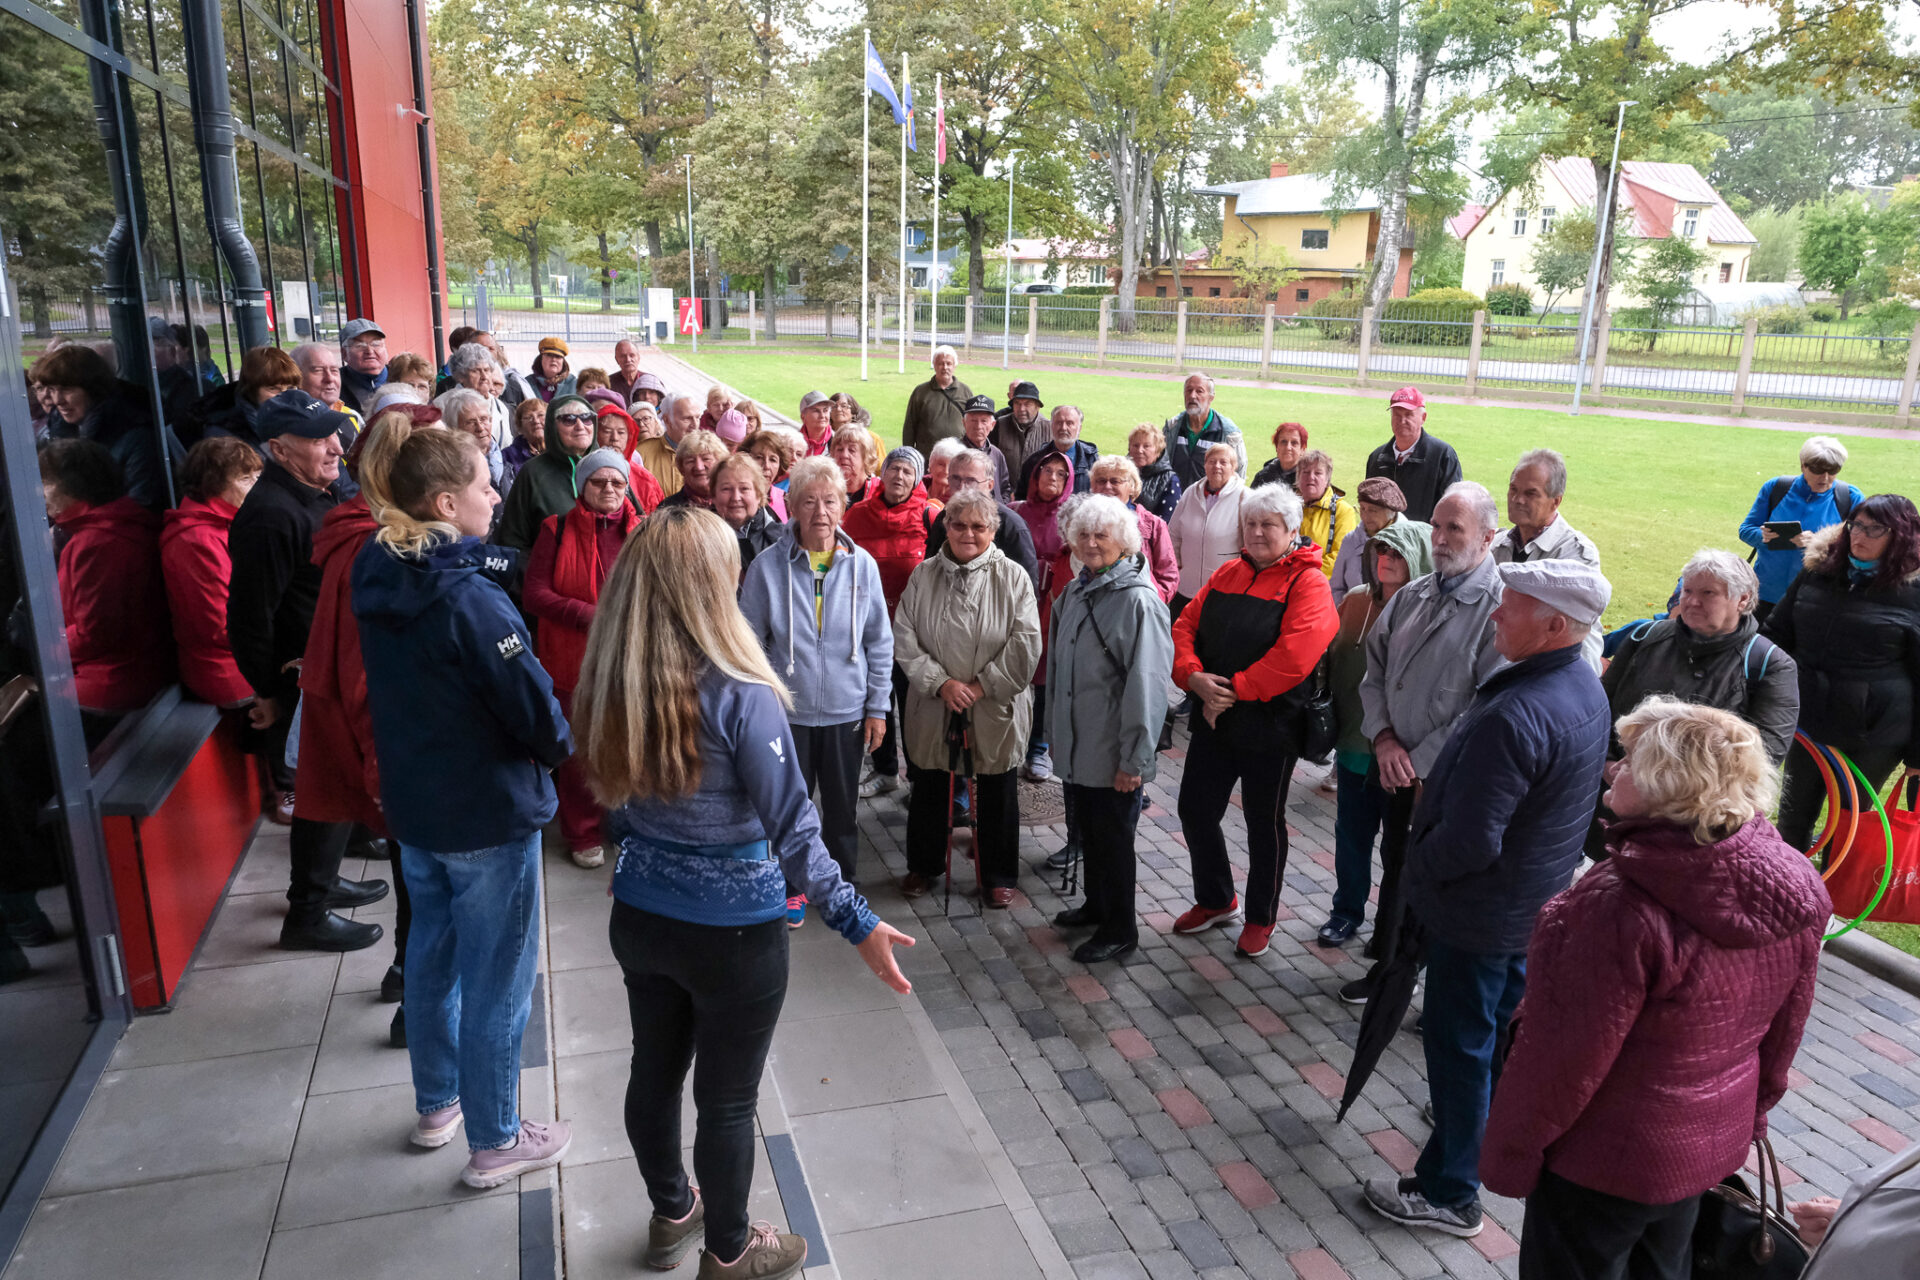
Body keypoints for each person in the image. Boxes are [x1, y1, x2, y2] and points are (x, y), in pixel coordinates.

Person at [571, 505, 914, 1280]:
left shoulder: (609, 676)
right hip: (733, 933)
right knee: (726, 1101)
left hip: (641, 915)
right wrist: (857, 920)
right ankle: (729, 1250)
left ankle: (672, 1211)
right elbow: (796, 831)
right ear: (709, 585)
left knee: (653, 1070)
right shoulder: (738, 688)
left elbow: (614, 806)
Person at [1481, 697, 1829, 1279]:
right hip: (1704, 1150)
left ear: (1669, 784)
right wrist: (1751, 1116)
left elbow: (1560, 1060)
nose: (1613, 768)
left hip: (1602, 1161)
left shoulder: (1615, 905)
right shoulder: (1795, 881)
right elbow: (1785, 1033)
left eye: (1630, 760)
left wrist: (1508, 1156)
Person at [1362, 558, 1611, 1240]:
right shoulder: (1579, 685)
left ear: (1555, 625)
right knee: (1493, 1039)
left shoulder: (1520, 710)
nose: (1496, 612)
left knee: (1459, 1047)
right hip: (1525, 908)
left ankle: (1451, 1192)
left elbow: (1472, 841)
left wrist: (1417, 870)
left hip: (1479, 916)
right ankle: (1474, 1136)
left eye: (1512, 605)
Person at [353, 429, 574, 1190]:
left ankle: (437, 1102)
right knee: (498, 980)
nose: (495, 495)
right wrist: (562, 746)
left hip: (418, 808)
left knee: (432, 956)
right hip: (485, 813)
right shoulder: (470, 601)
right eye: (484, 485)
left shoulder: (378, 565)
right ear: (446, 503)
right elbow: (535, 711)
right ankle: (497, 1138)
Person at [228, 390, 391, 948]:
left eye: (334, 435)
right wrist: (269, 691)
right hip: (302, 680)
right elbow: (250, 617)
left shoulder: (317, 492)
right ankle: (307, 913)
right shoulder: (271, 515)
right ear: (278, 449)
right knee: (323, 789)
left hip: (331, 670)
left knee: (334, 785)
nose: (336, 447)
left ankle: (325, 879)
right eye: (319, 440)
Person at [295, 407, 434, 1036]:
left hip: (403, 750)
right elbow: (364, 679)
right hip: (409, 753)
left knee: (419, 880)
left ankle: (409, 975)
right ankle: (417, 1002)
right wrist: (384, 774)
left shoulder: (368, 535)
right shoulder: (381, 550)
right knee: (427, 884)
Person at [1346, 481, 1505, 1001]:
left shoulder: (1501, 608)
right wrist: (1384, 739)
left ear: (1488, 537)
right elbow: (1373, 674)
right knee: (1396, 865)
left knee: (1434, 879)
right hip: (1394, 770)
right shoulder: (1413, 595)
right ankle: (1390, 963)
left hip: (1447, 782)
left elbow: (1485, 705)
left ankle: (1416, 978)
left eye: (1454, 528)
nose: (1438, 537)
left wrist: (1417, 761)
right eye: (1436, 525)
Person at [1171, 484, 1339, 958]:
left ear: (1292, 530)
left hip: (1271, 726)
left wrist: (1231, 691)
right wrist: (1192, 677)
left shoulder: (1309, 583)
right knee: (1195, 809)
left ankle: (1261, 917)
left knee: (1263, 823)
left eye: (1269, 524)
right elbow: (1184, 626)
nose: (1258, 532)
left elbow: (1295, 656)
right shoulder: (1229, 572)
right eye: (1250, 523)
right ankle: (1216, 898)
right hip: (1213, 715)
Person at [739, 457, 893, 915]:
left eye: (830, 501)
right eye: (809, 501)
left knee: (843, 810)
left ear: (843, 506)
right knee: (791, 807)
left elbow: (879, 641)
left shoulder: (862, 565)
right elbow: (749, 643)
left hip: (848, 711)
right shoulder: (768, 567)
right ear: (791, 507)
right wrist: (762, 706)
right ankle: (792, 886)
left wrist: (878, 707)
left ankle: (842, 889)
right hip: (788, 714)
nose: (820, 512)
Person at [894, 489, 1042, 906]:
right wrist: (941, 683)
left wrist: (980, 687)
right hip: (935, 701)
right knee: (930, 784)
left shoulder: (1013, 577)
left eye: (978, 526)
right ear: (946, 527)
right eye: (959, 525)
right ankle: (924, 864)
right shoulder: (923, 575)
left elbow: (1025, 643)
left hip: (994, 702)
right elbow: (904, 635)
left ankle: (998, 874)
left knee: (997, 788)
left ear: (993, 530)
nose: (968, 534)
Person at [1048, 495, 1174, 964]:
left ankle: (1121, 929)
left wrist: (1134, 761)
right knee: (1090, 832)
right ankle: (1097, 905)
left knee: (1115, 841)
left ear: (1124, 541)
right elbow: (1059, 672)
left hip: (1114, 752)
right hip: (1081, 745)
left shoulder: (1139, 601)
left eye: (1102, 535)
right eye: (1083, 534)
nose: (1091, 543)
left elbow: (1148, 687)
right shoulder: (1076, 590)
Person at [1764, 494, 1920, 849]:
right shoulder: (1818, 571)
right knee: (1793, 817)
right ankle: (1789, 880)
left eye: (1874, 529)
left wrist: (1917, 755)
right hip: (1808, 719)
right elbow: (1776, 633)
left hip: (1874, 732)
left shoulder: (1914, 593)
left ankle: (1836, 880)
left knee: (1848, 827)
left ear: (1901, 535)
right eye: (1855, 525)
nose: (1859, 536)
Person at [524, 446, 642, 872]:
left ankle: (628, 826)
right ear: (582, 486)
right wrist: (587, 615)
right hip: (574, 661)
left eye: (617, 482)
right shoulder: (555, 529)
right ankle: (583, 831)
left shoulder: (644, 531)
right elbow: (535, 593)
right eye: (599, 481)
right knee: (579, 754)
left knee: (630, 743)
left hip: (631, 658)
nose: (609, 489)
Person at [1318, 517, 1432, 948]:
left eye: (1398, 552)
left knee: (1397, 849)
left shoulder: (1428, 611)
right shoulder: (1356, 599)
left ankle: (1388, 929)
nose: (1387, 558)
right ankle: (1346, 912)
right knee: (1351, 836)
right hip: (1353, 744)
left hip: (1402, 757)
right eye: (1381, 550)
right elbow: (1331, 655)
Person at [1603, 550, 1799, 763]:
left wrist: (1667, 779)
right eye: (1687, 591)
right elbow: (1600, 708)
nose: (1692, 601)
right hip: (1615, 774)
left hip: (1701, 785)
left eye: (1708, 593)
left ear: (1742, 599)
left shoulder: (1770, 664)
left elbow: (1767, 753)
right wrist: (1609, 764)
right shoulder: (1645, 637)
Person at [38, 439, 173, 738]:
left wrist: (45, 652)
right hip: (135, 673)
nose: (40, 492)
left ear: (75, 485)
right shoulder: (121, 521)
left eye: (45, 482)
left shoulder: (96, 543)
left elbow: (97, 634)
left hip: (108, 684)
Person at [842, 448, 935, 798]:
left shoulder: (930, 515)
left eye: (908, 471)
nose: (899, 476)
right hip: (866, 628)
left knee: (913, 707)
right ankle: (885, 770)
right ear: (882, 473)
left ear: (917, 478)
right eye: (893, 468)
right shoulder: (857, 515)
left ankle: (919, 778)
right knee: (876, 701)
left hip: (913, 633)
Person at [161, 437, 264, 707]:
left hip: (247, 662)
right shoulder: (196, 540)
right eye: (245, 479)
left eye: (258, 476)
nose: (257, 486)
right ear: (213, 485)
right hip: (232, 674)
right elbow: (220, 627)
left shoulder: (227, 521)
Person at [1493, 449, 1604, 666]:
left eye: (1530, 494)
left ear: (1555, 502)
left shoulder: (1576, 556)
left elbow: (1579, 642)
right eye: (1513, 489)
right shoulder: (1495, 546)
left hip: (1545, 673)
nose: (1517, 500)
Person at [1740, 435, 1863, 623]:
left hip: (1816, 596)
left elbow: (1859, 548)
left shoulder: (1850, 497)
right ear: (1803, 466)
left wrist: (1818, 544)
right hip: (1766, 592)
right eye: (1817, 470)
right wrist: (1763, 537)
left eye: (1833, 470)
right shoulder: (1776, 488)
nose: (1825, 477)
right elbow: (1746, 529)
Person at [29, 344, 167, 508]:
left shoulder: (137, 438)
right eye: (52, 389)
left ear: (93, 389)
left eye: (67, 389)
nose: (57, 400)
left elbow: (141, 507)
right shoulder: (60, 431)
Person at [1013, 452, 1076, 782]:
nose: (1052, 477)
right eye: (1046, 470)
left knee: (1046, 679)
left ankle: (1039, 746)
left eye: (1060, 473)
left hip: (1053, 606)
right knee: (1013, 671)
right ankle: (1011, 738)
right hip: (1016, 603)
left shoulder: (1072, 518)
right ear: (1035, 475)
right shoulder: (1016, 511)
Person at [495, 394, 615, 550]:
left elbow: (634, 521)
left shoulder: (610, 466)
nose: (580, 426)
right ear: (552, 426)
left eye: (586, 418)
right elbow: (513, 539)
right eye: (569, 419)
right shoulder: (533, 472)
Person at [925, 449, 1039, 589]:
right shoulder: (943, 519)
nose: (962, 488)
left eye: (970, 481)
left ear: (990, 485)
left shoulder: (1012, 527)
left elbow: (1026, 589)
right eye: (955, 479)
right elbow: (930, 575)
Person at [1168, 442, 1247, 615]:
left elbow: (1249, 545)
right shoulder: (1191, 492)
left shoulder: (1244, 496)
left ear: (1234, 467)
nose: (1216, 466)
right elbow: (1173, 533)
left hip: (1224, 590)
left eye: (1223, 462)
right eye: (1211, 461)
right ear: (1204, 465)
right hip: (1186, 587)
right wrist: (1177, 563)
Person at [1363, 386, 1462, 523]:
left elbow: (1453, 510)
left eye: (1409, 414)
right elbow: (1368, 508)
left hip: (1426, 536)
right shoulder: (1377, 458)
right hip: (1385, 536)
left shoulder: (1443, 456)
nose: (1402, 421)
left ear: (1423, 418)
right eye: (1397, 415)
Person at [1089, 456, 1178, 603]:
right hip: (1094, 604)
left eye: (1115, 481)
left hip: (1136, 605)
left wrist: (1149, 601)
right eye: (1101, 481)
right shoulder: (1083, 522)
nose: (1107, 486)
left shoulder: (1154, 525)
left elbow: (1168, 577)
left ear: (1131, 486)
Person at [196, 345, 301, 453]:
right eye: (273, 388)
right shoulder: (224, 436)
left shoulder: (302, 418)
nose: (285, 396)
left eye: (291, 388)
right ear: (252, 390)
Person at [1161, 372, 1246, 488]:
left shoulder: (1229, 434)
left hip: (1212, 498)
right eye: (1189, 390)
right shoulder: (1172, 428)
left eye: (1199, 391)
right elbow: (1161, 466)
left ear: (1211, 397)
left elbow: (1239, 475)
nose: (1192, 396)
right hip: (1176, 497)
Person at [1330, 477, 1407, 595]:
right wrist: (1347, 606)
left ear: (1391, 512)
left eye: (1372, 510)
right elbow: (1336, 588)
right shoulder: (1351, 541)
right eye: (1362, 508)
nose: (1365, 516)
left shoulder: (1409, 544)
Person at [593, 402, 667, 514]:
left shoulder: (644, 478)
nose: (614, 438)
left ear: (629, 437)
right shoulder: (583, 472)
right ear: (595, 434)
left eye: (621, 432)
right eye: (607, 432)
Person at [1294, 450, 1357, 578]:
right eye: (1305, 472)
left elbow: (1340, 556)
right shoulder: (1288, 507)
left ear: (1327, 480)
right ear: (1298, 477)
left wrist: (1304, 576)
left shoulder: (1343, 511)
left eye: (1318, 473)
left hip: (1322, 582)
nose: (1311, 477)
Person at [902, 345, 972, 459]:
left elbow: (972, 424)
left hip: (958, 456)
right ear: (934, 365)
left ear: (954, 365)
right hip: (927, 457)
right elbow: (910, 426)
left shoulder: (965, 392)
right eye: (940, 363)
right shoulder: (920, 392)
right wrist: (908, 456)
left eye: (949, 363)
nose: (945, 367)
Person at [713, 453, 782, 567]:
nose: (735, 497)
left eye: (744, 488)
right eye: (726, 489)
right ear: (713, 496)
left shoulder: (781, 540)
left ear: (759, 494)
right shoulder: (700, 538)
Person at [292, 342, 365, 448]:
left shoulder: (353, 417)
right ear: (295, 378)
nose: (330, 378)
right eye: (318, 371)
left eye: (334, 370)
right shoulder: (290, 425)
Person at [1016, 405, 1097, 500]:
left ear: (1079, 428)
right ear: (1052, 426)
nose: (1063, 428)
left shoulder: (1093, 462)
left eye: (1069, 423)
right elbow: (1022, 499)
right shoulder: (1034, 462)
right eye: (1059, 422)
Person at [435, 387, 505, 491]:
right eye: (470, 422)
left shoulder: (507, 457)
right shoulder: (451, 468)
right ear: (454, 428)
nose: (480, 428)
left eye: (483, 419)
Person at [992, 380, 1050, 483]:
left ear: (1037, 407)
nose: (1021, 409)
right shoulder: (1000, 425)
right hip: (1005, 490)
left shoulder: (1050, 429)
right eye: (1017, 403)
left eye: (1027, 404)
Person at [660, 430, 730, 511]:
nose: (699, 467)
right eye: (690, 461)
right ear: (681, 468)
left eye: (706, 459)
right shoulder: (667, 509)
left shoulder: (732, 503)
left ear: (720, 464)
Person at [958, 395, 1012, 497]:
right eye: (973, 420)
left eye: (984, 421)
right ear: (964, 423)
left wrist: (1002, 503)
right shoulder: (955, 453)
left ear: (992, 425)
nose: (978, 426)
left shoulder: (997, 454)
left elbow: (1005, 488)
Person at [1128, 424, 1183, 522]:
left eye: (1146, 446)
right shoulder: (1120, 471)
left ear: (1158, 451)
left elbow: (1165, 523)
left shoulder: (1170, 480)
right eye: (1135, 445)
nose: (1139, 450)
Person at [338, 319, 389, 417]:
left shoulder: (402, 376)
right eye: (359, 345)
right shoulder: (334, 384)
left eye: (376, 344)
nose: (369, 351)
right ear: (344, 353)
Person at [741, 429, 796, 520]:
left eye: (773, 460)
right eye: (759, 457)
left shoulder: (786, 501)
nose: (766, 466)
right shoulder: (737, 496)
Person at [502, 398, 545, 496]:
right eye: (528, 417)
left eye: (541, 415)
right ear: (520, 427)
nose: (536, 421)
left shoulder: (562, 452)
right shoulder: (507, 456)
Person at [1251, 421, 1309, 491]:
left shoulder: (1309, 479)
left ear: (1303, 449)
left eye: (1294, 443)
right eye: (1283, 442)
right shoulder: (1263, 477)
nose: (1288, 447)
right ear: (1277, 447)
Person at [526, 336, 574, 402]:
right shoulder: (527, 383)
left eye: (558, 356)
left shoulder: (574, 384)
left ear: (563, 361)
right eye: (549, 355)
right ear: (541, 359)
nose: (553, 359)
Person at [926, 437, 967, 506]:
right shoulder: (914, 487)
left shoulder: (960, 501)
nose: (946, 471)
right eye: (941, 464)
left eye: (952, 466)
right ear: (931, 465)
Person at [796, 390, 834, 457]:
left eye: (825, 410)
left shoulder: (839, 442)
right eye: (816, 411)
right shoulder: (793, 444)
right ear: (803, 417)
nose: (822, 416)